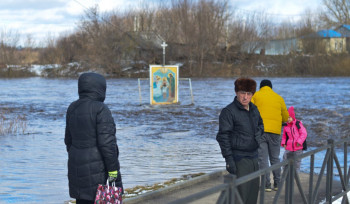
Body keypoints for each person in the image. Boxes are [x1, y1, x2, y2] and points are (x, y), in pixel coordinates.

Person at [64, 72, 123, 204]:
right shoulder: (101, 109)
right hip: (100, 171)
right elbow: (107, 144)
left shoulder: (72, 108)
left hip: (76, 168)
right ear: (100, 88)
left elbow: (68, 141)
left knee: (82, 200)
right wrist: (113, 171)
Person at [216, 77, 264, 204]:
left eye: (249, 94)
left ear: (252, 95)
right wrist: (229, 160)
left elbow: (261, 125)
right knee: (239, 197)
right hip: (239, 159)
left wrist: (257, 138)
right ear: (236, 92)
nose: (245, 97)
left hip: (254, 157)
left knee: (253, 196)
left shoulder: (254, 109)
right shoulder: (228, 112)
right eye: (242, 93)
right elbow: (223, 137)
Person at [251, 79, 289, 192]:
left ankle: (266, 185)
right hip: (275, 132)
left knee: (263, 159)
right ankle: (277, 183)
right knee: (275, 158)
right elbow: (286, 117)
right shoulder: (278, 97)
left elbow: (249, 112)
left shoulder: (256, 96)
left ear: (260, 87)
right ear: (271, 87)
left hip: (260, 131)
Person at [281, 106, 307, 172]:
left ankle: (296, 174)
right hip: (289, 147)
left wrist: (299, 142)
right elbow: (284, 136)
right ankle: (284, 172)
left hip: (298, 147)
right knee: (285, 158)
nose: (288, 119)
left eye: (289, 117)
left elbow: (304, 133)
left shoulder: (298, 124)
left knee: (297, 162)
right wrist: (284, 143)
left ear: (293, 117)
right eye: (287, 118)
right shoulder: (286, 126)